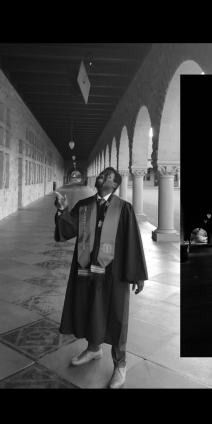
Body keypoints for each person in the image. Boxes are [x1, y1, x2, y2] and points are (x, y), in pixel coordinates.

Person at [54, 167, 148, 389]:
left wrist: (136, 274)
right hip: (86, 270)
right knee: (89, 308)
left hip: (113, 274)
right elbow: (68, 229)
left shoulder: (123, 209)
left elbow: (133, 241)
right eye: (102, 175)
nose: (102, 177)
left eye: (107, 177)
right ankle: (94, 349)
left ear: (114, 186)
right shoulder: (85, 206)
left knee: (116, 315)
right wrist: (62, 211)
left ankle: (120, 365)